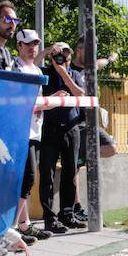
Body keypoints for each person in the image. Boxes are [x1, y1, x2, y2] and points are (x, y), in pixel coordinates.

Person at [38, 41, 87, 233]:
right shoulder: (44, 72)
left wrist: (63, 72)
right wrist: (45, 52)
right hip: (50, 128)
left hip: (70, 128)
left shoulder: (73, 74)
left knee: (70, 173)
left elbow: (80, 94)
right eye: (59, 56)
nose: (63, 60)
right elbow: (30, 66)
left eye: (66, 57)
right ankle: (49, 218)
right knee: (47, 175)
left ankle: (67, 213)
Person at [11, 28, 53, 242]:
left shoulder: (36, 70)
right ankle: (12, 229)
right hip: (19, 131)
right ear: (19, 45)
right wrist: (47, 104)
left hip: (35, 131)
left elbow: (38, 101)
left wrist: (50, 101)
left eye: (35, 43)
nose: (32, 48)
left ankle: (24, 224)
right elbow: (18, 102)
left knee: (26, 178)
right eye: (28, 44)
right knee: (27, 178)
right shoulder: (14, 68)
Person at [69, 41, 118, 222]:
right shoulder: (69, 68)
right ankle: (76, 207)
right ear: (78, 50)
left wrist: (110, 59)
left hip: (90, 122)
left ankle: (84, 157)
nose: (92, 55)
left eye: (94, 51)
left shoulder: (91, 67)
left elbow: (100, 63)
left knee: (111, 147)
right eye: (89, 50)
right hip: (74, 122)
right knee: (73, 168)